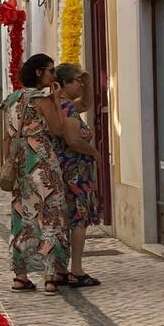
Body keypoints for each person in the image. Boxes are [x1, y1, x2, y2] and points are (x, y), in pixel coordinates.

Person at [1, 53, 71, 293]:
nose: (54, 75)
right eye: (51, 71)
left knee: (22, 219)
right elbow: (59, 129)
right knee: (50, 215)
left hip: (20, 164)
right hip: (42, 164)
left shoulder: (11, 99)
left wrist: (6, 165)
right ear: (40, 73)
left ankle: (20, 276)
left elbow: (6, 138)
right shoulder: (42, 99)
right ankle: (50, 276)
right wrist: (58, 100)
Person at [53, 64, 104, 288]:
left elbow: (86, 103)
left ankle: (60, 269)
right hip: (75, 174)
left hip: (64, 171)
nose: (80, 84)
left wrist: (88, 79)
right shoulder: (67, 109)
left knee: (65, 220)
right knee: (78, 220)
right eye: (76, 80)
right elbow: (73, 140)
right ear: (64, 84)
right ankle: (77, 269)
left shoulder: (59, 106)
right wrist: (94, 152)